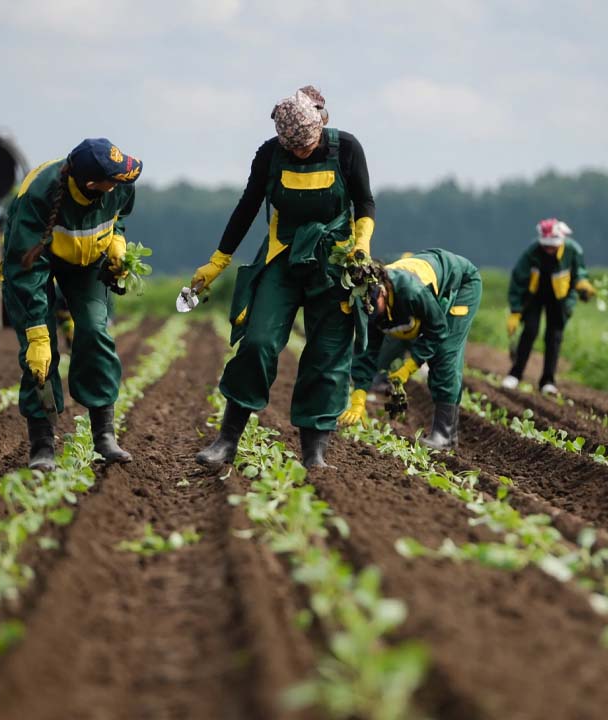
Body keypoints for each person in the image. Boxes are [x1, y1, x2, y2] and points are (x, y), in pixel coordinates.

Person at [191, 86, 375, 469]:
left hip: (335, 263)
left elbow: (365, 201)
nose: (300, 154)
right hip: (282, 256)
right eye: (293, 150)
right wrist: (218, 261)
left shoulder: (348, 149)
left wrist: (362, 246)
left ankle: (314, 454)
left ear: (320, 125)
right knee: (258, 343)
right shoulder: (270, 154)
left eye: (306, 148)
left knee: (326, 356)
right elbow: (248, 206)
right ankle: (227, 440)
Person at [2, 138, 143, 471]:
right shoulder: (38, 197)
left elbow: (118, 218)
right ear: (92, 184)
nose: (122, 180)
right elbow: (26, 273)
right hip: (31, 266)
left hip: (88, 261)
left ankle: (104, 435)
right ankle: (42, 443)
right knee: (41, 354)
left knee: (95, 332)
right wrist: (36, 335)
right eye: (114, 177)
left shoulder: (119, 187)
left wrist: (118, 245)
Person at [339, 249, 482, 450]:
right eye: (363, 307)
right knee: (397, 344)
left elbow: (437, 330)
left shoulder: (411, 292)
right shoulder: (369, 302)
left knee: (445, 354)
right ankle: (446, 434)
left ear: (382, 291)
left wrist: (409, 367)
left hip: (461, 283)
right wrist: (359, 395)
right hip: (429, 285)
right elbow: (367, 350)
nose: (368, 310)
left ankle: (444, 434)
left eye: (372, 305)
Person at [504, 218, 595, 394]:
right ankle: (515, 375)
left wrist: (583, 284)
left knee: (554, 337)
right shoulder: (532, 252)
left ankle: (548, 381)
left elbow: (580, 273)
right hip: (534, 297)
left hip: (559, 299)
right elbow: (518, 280)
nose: (548, 249)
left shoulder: (572, 250)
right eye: (545, 246)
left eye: (552, 246)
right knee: (530, 330)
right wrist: (515, 311)